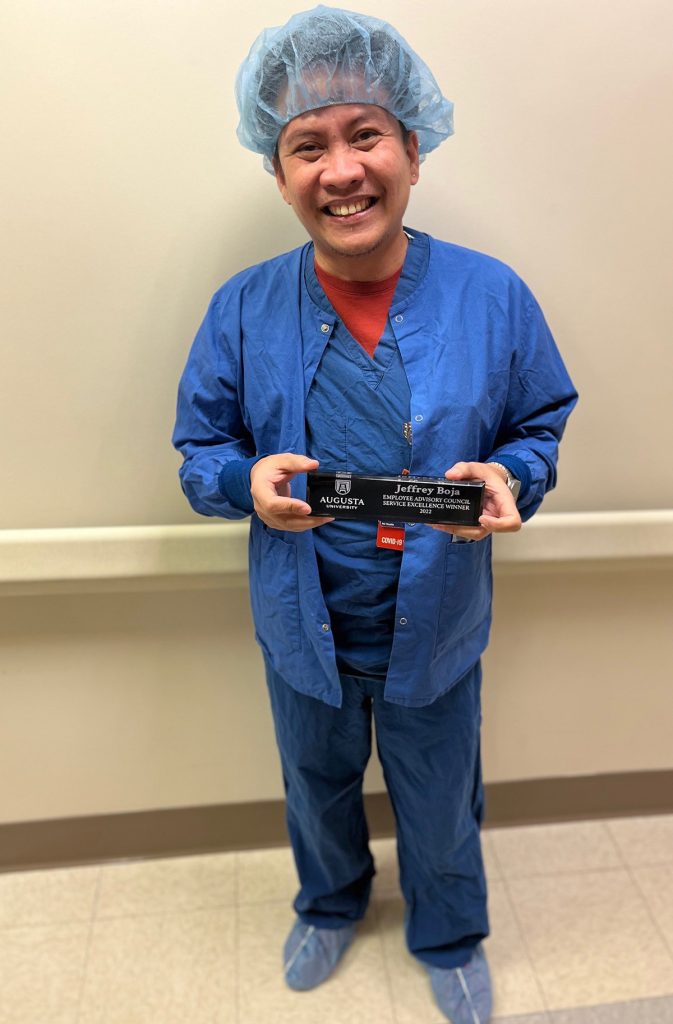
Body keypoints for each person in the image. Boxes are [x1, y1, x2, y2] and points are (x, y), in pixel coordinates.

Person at [172, 7, 578, 1022]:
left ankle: (446, 932)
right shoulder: (242, 308)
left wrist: (512, 478)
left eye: (364, 135)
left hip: (434, 623)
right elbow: (199, 452)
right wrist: (241, 486)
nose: (340, 168)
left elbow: (539, 420)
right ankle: (329, 901)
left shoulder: (491, 297)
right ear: (278, 172)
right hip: (302, 623)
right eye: (307, 145)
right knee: (314, 783)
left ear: (412, 148)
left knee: (441, 793)